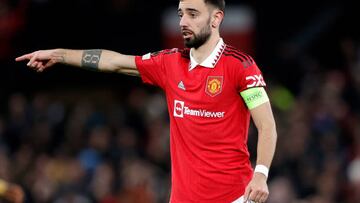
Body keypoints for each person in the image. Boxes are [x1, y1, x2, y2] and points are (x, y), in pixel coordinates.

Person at [15, 0, 277, 202]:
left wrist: (261, 175)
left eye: (193, 14)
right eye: (180, 14)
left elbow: (267, 126)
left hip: (235, 197)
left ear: (216, 18)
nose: (183, 21)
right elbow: (115, 62)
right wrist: (60, 55)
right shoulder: (169, 63)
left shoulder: (241, 66)